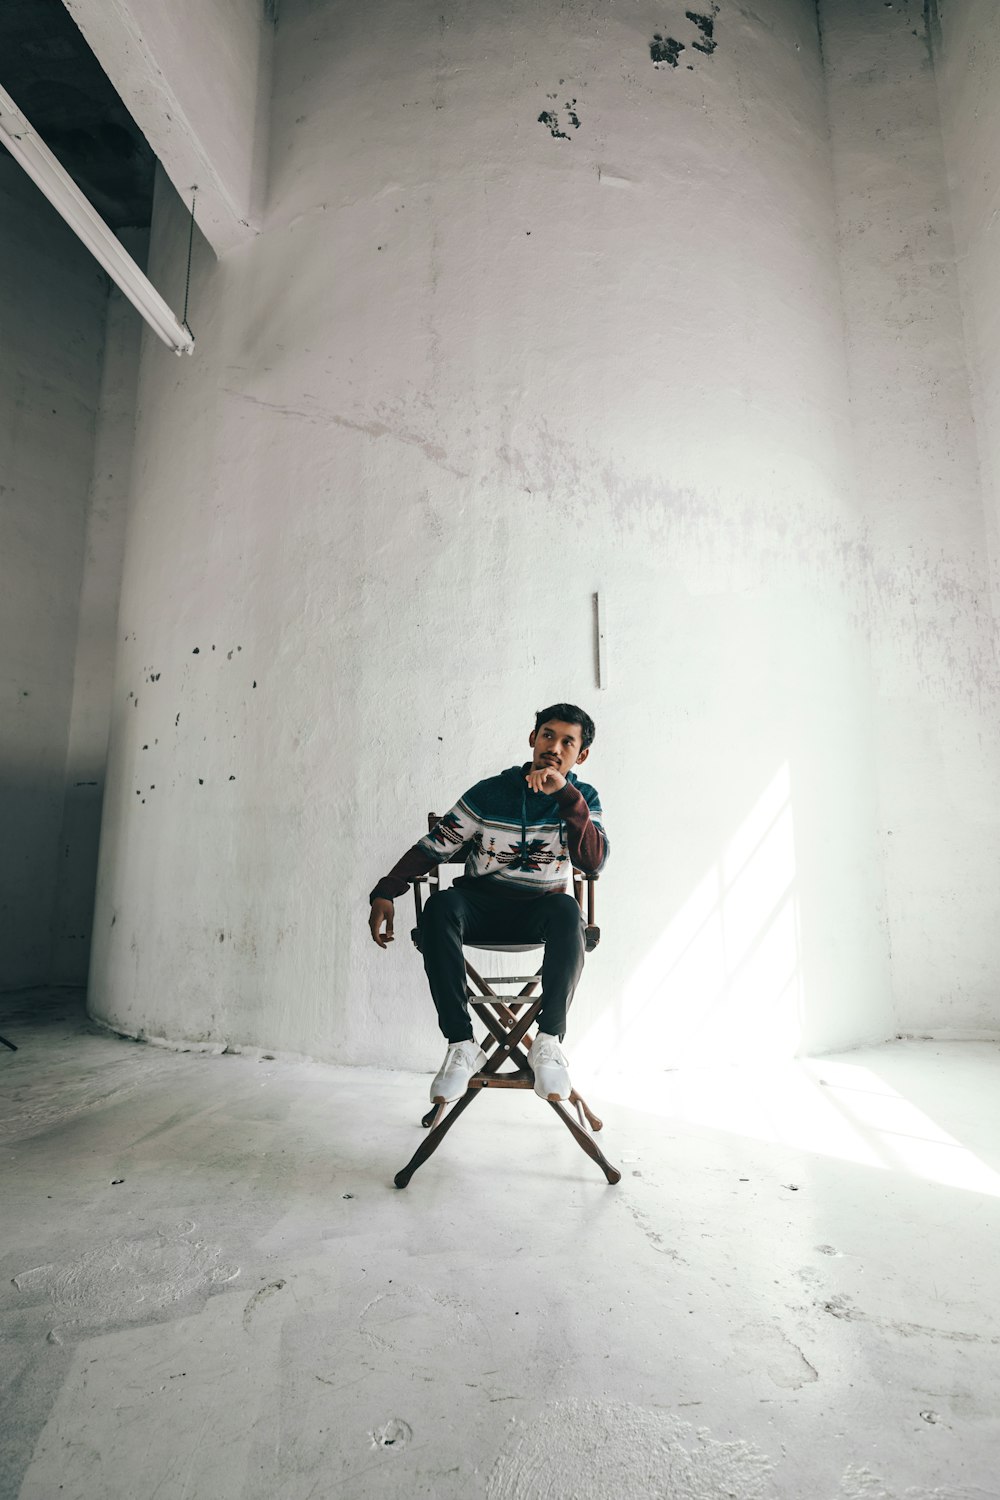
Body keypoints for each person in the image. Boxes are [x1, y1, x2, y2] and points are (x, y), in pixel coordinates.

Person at [368, 703, 609, 1106]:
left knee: (568, 910)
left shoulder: (582, 798)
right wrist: (385, 890)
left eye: (568, 742)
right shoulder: (490, 793)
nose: (555, 747)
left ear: (580, 755)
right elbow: (435, 846)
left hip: (541, 910)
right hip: (480, 906)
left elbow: (593, 861)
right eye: (547, 735)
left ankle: (548, 1043)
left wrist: (567, 797)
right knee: (441, 905)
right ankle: (462, 1045)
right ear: (533, 739)